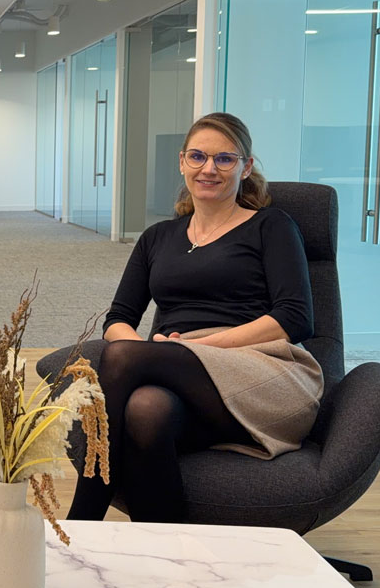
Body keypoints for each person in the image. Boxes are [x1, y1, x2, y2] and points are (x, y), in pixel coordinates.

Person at [67, 112, 323, 523]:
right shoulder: (158, 237)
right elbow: (118, 317)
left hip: (262, 370)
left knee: (122, 357)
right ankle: (167, 548)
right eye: (198, 156)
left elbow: (294, 318)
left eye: (224, 159)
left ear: (246, 167)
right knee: (146, 409)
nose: (209, 169)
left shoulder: (271, 226)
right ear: (182, 162)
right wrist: (152, 354)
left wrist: (190, 348)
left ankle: (81, 521)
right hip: (184, 377)